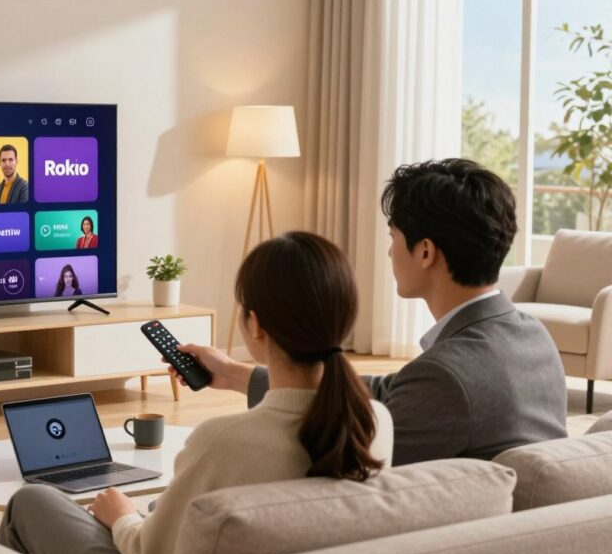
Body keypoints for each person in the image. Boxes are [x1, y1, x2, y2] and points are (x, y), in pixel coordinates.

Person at [0, 232, 394, 554]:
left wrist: (120, 515)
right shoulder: (375, 421)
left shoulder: (224, 441)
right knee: (157, 507)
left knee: (31, 501)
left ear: (254, 326)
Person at [173, 158, 567, 467]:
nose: (390, 250)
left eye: (393, 236)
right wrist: (233, 374)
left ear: (425, 252)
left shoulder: (447, 375)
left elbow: (352, 475)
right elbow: (387, 393)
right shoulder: (533, 337)